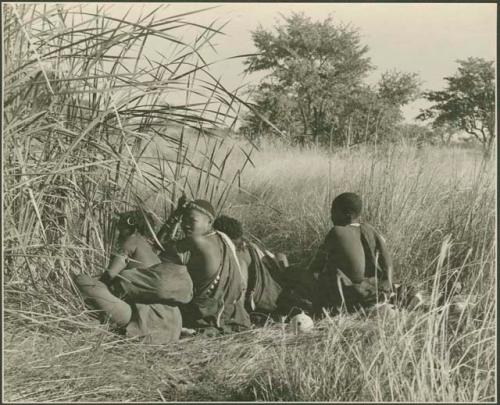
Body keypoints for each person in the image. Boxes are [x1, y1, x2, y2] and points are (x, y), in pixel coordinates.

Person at [74, 210, 193, 344]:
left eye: (121, 229)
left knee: (82, 281)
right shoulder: (150, 249)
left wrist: (97, 286)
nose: (118, 234)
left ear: (133, 229)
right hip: (173, 324)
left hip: (150, 321)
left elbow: (109, 275)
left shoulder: (132, 240)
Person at [158, 200, 251, 335]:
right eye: (184, 219)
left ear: (209, 222)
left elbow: (159, 244)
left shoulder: (198, 242)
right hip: (233, 317)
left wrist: (176, 214)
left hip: (206, 318)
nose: (185, 225)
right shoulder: (222, 239)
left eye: (192, 220)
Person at [309, 192, 394, 316]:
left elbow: (316, 265)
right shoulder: (370, 229)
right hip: (376, 290)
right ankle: (381, 305)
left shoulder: (337, 231)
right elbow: (388, 262)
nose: (331, 216)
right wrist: (387, 284)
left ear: (347, 215)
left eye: (333, 212)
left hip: (350, 294)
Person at [213, 215, 287, 318]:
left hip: (269, 298)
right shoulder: (250, 245)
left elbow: (241, 287)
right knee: (280, 256)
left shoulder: (239, 256)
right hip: (279, 287)